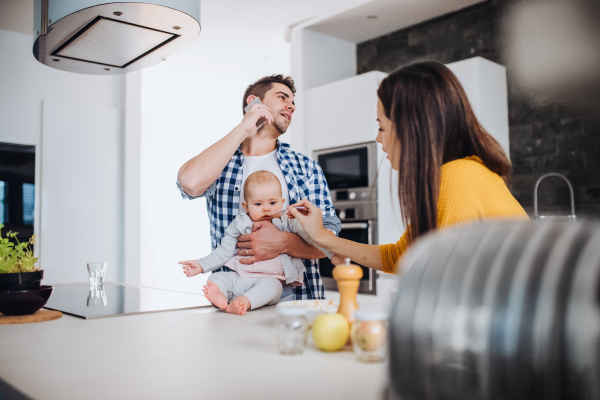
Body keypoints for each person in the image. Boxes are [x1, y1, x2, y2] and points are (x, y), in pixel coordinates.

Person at [286, 61, 529, 275]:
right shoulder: (463, 172)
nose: (378, 139)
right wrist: (320, 236)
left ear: (410, 128)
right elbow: (402, 258)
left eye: (381, 127)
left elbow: (435, 277)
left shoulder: (457, 177)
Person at [177, 75, 340, 301]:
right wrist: (244, 128)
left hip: (298, 299)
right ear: (253, 102)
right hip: (233, 297)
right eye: (283, 97)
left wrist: (283, 242)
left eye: (293, 102)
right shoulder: (221, 162)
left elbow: (330, 241)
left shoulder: (305, 167)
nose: (291, 105)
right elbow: (190, 183)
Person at [178, 171, 339, 315]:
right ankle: (219, 297)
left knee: (273, 286)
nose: (266, 209)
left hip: (268, 282)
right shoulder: (240, 223)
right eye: (258, 204)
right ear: (246, 206)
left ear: (282, 202)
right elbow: (224, 251)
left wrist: (327, 244)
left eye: (272, 203)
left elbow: (311, 237)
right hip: (240, 278)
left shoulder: (287, 221)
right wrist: (201, 265)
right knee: (217, 277)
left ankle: (243, 302)